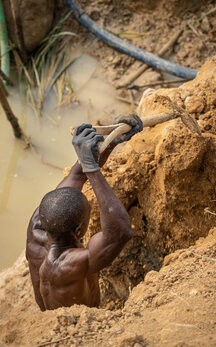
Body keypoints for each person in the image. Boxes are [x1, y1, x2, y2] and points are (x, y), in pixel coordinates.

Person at [26, 114, 143, 311]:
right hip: (74, 325)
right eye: (88, 212)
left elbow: (77, 175)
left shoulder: (41, 219)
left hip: (50, 305)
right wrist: (93, 170)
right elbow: (121, 232)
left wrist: (112, 139)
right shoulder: (68, 265)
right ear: (79, 229)